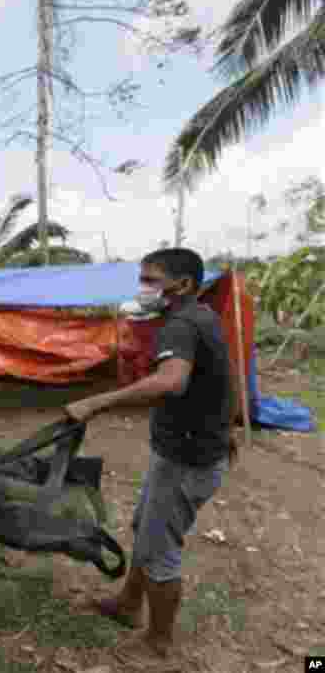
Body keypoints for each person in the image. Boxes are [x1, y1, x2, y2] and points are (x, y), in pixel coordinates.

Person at [62, 248, 236, 665]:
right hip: (191, 451)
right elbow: (214, 380)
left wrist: (97, 402)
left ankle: (159, 641)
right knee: (146, 527)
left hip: (187, 459)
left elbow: (172, 381)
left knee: (159, 548)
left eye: (150, 280)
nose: (143, 288)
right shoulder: (203, 315)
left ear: (184, 285)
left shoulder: (180, 325)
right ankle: (127, 604)